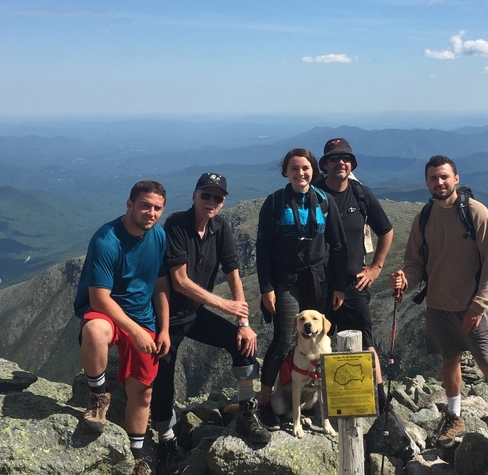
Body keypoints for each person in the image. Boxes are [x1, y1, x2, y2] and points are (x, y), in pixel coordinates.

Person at [388, 155, 488, 466]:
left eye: (444, 177)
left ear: (455, 178)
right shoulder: (424, 218)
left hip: (472, 308)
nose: (439, 183)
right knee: (449, 360)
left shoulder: (475, 213)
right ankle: (454, 416)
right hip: (439, 306)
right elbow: (415, 264)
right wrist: (405, 280)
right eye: (433, 178)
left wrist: (479, 305)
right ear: (427, 182)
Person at [151, 173, 270, 470]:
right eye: (206, 195)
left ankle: (245, 411)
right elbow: (178, 281)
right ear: (194, 196)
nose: (212, 202)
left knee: (242, 344)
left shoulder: (220, 226)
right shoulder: (177, 224)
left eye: (218, 198)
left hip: (195, 314)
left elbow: (233, 272)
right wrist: (224, 304)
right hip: (168, 317)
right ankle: (165, 438)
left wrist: (243, 322)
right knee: (163, 375)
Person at [73, 180, 170, 475]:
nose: (151, 213)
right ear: (129, 205)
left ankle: (137, 454)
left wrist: (163, 328)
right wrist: (136, 331)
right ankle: (98, 396)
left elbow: (161, 285)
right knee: (94, 331)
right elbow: (99, 299)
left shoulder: (159, 237)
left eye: (157, 208)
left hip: (145, 317)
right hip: (110, 313)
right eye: (145, 205)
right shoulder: (106, 239)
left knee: (142, 393)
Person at [255, 148, 348, 426]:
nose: (300, 173)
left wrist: (339, 286)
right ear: (285, 171)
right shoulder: (274, 202)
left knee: (320, 338)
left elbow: (339, 245)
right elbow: (263, 249)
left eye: (305, 168)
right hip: (287, 279)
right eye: (294, 169)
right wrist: (266, 287)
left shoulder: (325, 201)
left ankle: (318, 403)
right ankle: (265, 400)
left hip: (318, 278)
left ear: (313, 171)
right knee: (285, 339)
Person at [314, 138, 394, 412]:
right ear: (324, 164)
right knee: (316, 341)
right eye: (334, 158)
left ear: (352, 164)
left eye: (346, 158)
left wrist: (375, 268)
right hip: (318, 284)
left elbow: (386, 230)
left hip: (353, 284)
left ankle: (379, 401)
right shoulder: (311, 194)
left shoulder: (362, 195)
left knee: (365, 342)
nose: (341, 163)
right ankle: (319, 402)